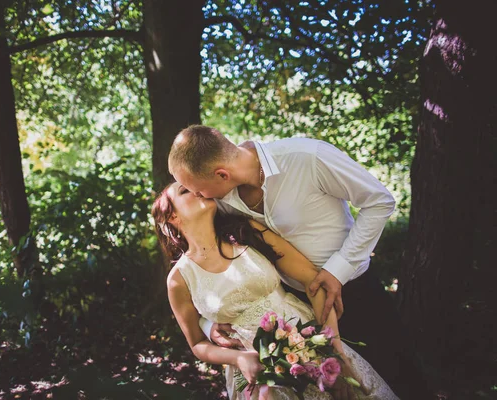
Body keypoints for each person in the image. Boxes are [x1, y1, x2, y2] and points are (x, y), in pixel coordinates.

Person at [167, 125, 425, 398]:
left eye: (198, 190)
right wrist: (208, 325)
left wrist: (337, 270)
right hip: (290, 310)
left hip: (355, 292)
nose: (201, 197)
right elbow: (205, 267)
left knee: (395, 379)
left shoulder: (308, 157)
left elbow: (379, 201)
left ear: (221, 174)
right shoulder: (222, 198)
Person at [152, 182, 398, 399]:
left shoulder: (246, 232)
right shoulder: (179, 279)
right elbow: (197, 344)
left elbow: (313, 282)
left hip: (308, 338)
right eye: (185, 191)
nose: (196, 190)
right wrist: (237, 359)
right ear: (172, 217)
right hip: (258, 375)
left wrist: (335, 353)